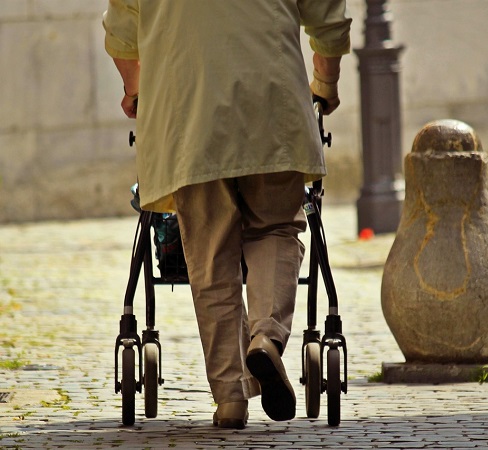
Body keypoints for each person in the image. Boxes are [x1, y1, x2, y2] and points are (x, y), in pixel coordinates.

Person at [104, 0, 351, 429]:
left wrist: (137, 91)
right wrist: (325, 83)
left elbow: (123, 35)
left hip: (188, 113)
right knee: (275, 227)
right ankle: (267, 336)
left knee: (210, 249)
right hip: (272, 102)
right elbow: (328, 16)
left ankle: (231, 398)